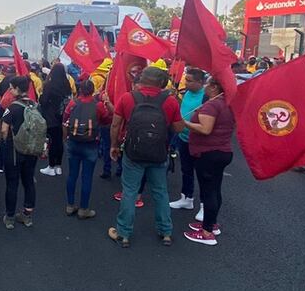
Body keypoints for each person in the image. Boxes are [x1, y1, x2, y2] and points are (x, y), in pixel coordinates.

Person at [107, 67, 183, 247]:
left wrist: (114, 145)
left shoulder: (127, 98)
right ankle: (165, 231)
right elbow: (179, 128)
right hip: (159, 153)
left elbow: (115, 125)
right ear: (161, 83)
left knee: (129, 192)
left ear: (142, 79)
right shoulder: (170, 101)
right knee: (160, 192)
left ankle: (124, 233)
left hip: (133, 152)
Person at [181, 76, 236, 246]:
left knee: (209, 191)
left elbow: (205, 129)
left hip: (209, 153)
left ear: (214, 87)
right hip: (222, 151)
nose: (205, 86)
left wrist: (185, 122)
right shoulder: (225, 103)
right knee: (215, 189)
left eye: (208, 83)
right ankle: (211, 223)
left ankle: (207, 233)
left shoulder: (212, 105)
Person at [63, 79, 111, 219]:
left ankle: (70, 205)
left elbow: (65, 119)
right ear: (92, 90)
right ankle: (84, 209)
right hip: (91, 144)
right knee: (87, 177)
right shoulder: (98, 105)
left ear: (80, 90)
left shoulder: (72, 104)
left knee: (72, 175)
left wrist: (65, 138)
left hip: (73, 142)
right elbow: (106, 119)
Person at [0, 75, 42, 229]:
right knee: (29, 181)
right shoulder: (36, 106)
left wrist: (5, 141)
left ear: (17, 89)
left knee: (12, 183)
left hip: (14, 150)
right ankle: (27, 215)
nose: (10, 91)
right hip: (31, 150)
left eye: (11, 88)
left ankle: (10, 217)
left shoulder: (12, 108)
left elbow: (4, 129)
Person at [169, 68, 205, 212]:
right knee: (186, 170)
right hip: (183, 137)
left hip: (198, 140)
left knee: (202, 174)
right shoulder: (187, 93)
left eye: (190, 81)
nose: (186, 83)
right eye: (186, 80)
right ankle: (186, 198)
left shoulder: (206, 97)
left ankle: (204, 206)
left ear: (200, 82)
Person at [38, 63, 72, 176]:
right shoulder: (66, 84)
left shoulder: (49, 85)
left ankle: (51, 166)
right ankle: (58, 166)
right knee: (59, 141)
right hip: (63, 116)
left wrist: (41, 97)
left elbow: (43, 101)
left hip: (51, 117)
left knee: (52, 141)